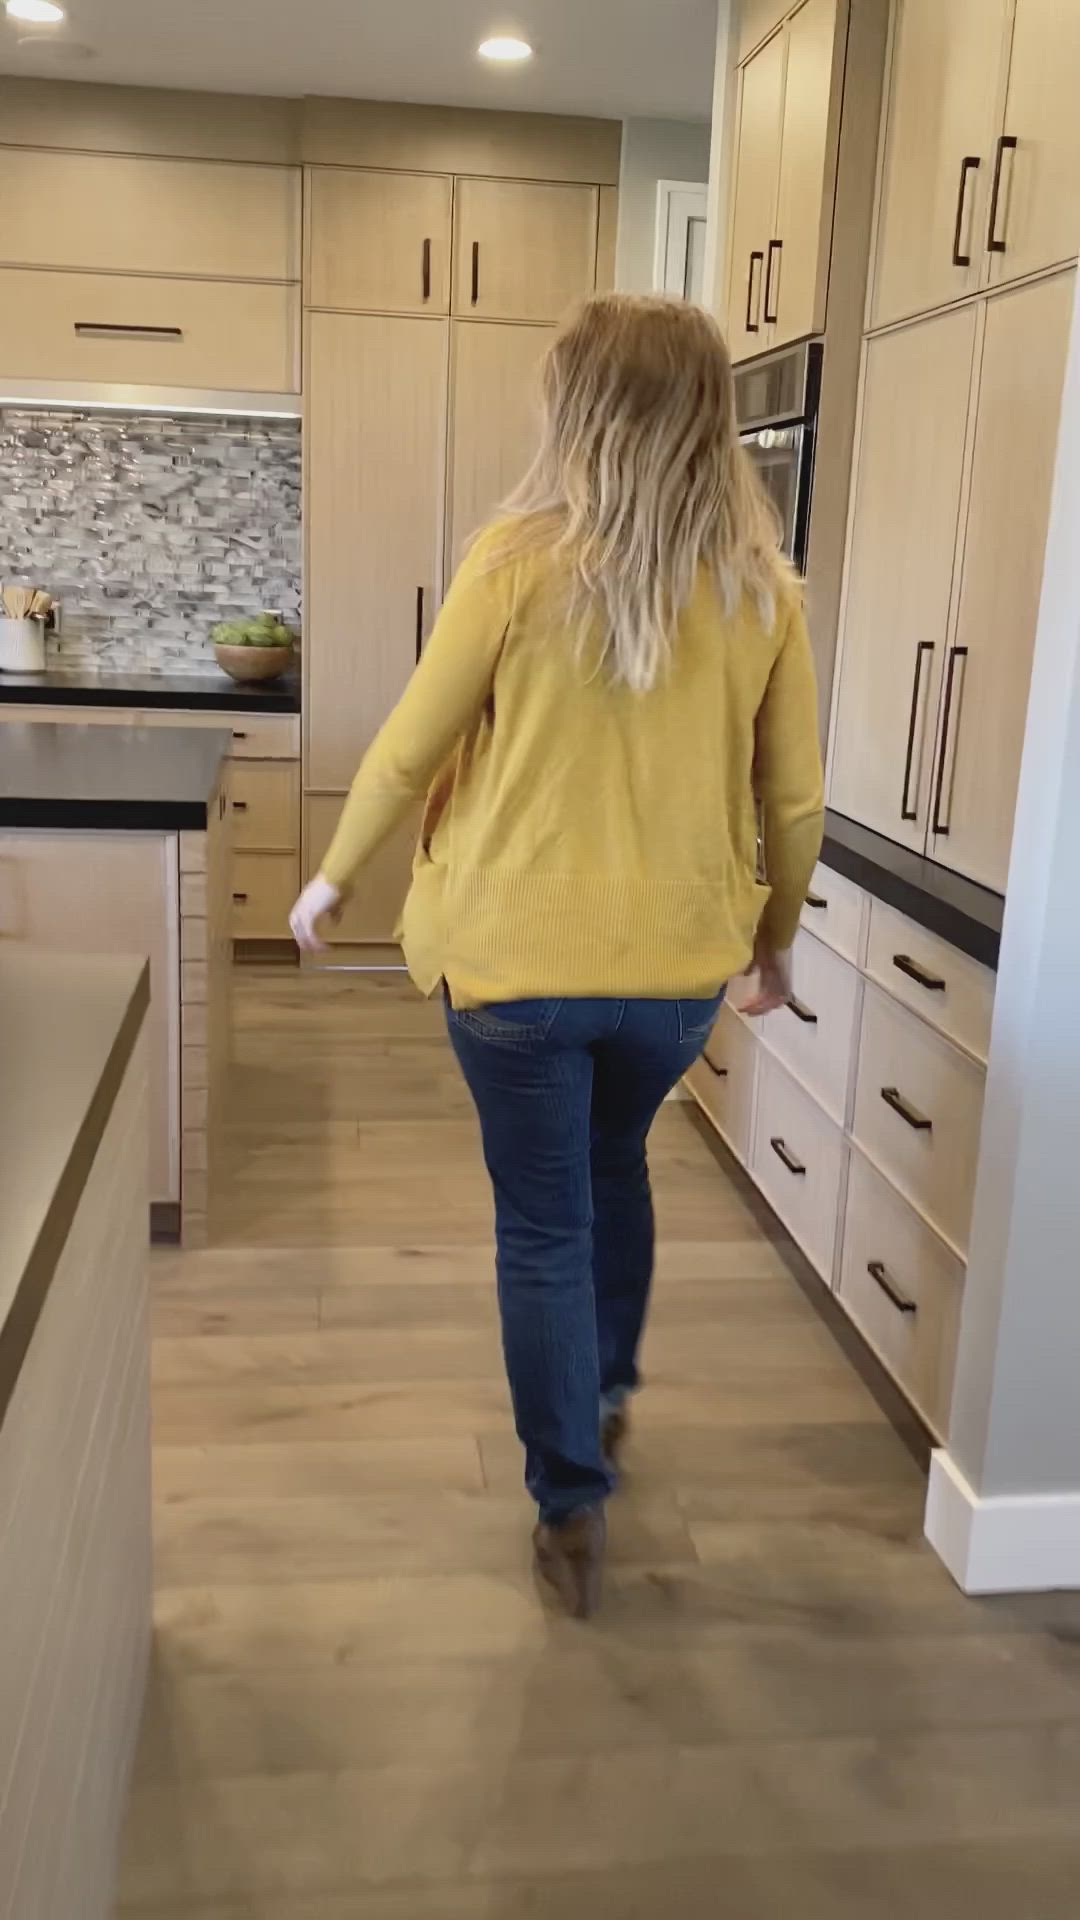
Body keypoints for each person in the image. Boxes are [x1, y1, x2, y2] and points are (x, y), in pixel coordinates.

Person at [290, 294, 824, 1618]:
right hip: (672, 976)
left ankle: (569, 1499)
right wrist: (776, 947)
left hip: (514, 969)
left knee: (542, 1225)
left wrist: (330, 877)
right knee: (614, 1164)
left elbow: (413, 743)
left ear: (575, 410)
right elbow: (795, 803)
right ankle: (610, 1386)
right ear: (710, 417)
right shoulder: (762, 588)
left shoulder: (516, 560)